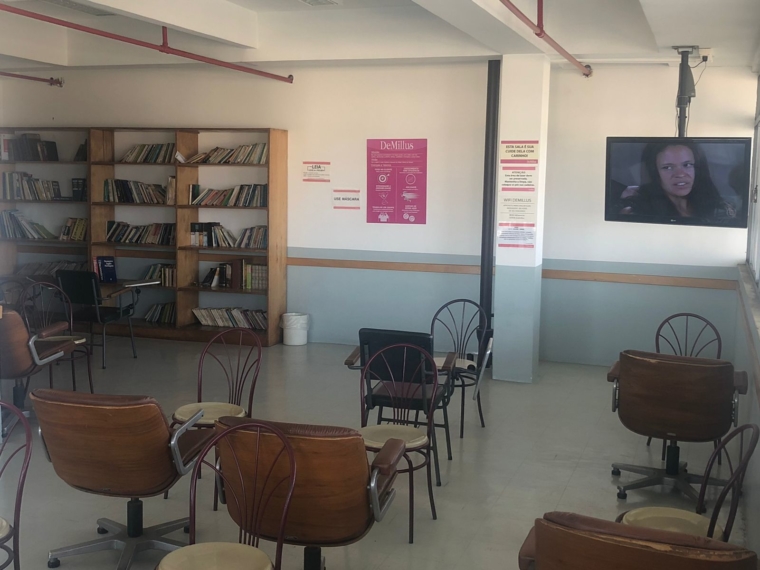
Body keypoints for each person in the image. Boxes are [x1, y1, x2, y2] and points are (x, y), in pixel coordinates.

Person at [617, 142, 736, 220]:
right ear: (654, 173)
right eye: (668, 167)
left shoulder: (720, 210)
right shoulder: (635, 213)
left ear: (698, 169)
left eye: (687, 165)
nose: (680, 174)